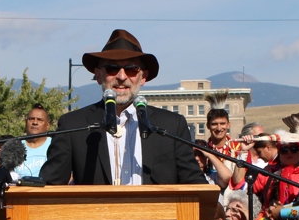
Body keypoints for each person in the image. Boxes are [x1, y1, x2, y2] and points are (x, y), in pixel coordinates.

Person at [41, 29, 204, 185]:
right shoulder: (73, 125)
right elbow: (49, 184)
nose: (121, 76)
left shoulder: (171, 126)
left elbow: (195, 184)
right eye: (112, 68)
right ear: (98, 76)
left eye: (131, 69)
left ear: (143, 77)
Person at [13, 104, 54, 179]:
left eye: (40, 120)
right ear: (26, 122)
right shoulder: (15, 146)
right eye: (31, 119)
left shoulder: (55, 145)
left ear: (47, 125)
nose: (35, 122)